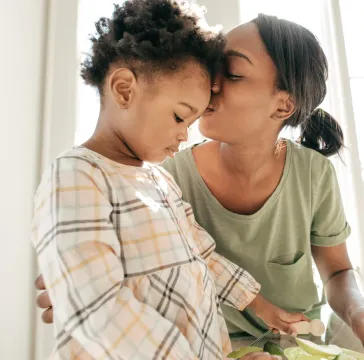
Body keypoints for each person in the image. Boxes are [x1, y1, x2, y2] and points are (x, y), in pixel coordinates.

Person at [35, 9, 364, 360]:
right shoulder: (163, 172)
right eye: (214, 67)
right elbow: (107, 291)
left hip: (295, 340)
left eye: (232, 72)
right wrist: (78, 282)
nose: (210, 83)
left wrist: (356, 309)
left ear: (282, 105)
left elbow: (334, 271)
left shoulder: (312, 175)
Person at [31, 1, 305, 359]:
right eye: (179, 117)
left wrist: (258, 304)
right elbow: (98, 309)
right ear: (125, 90)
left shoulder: (161, 182)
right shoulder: (76, 176)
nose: (184, 136)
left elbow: (202, 257)